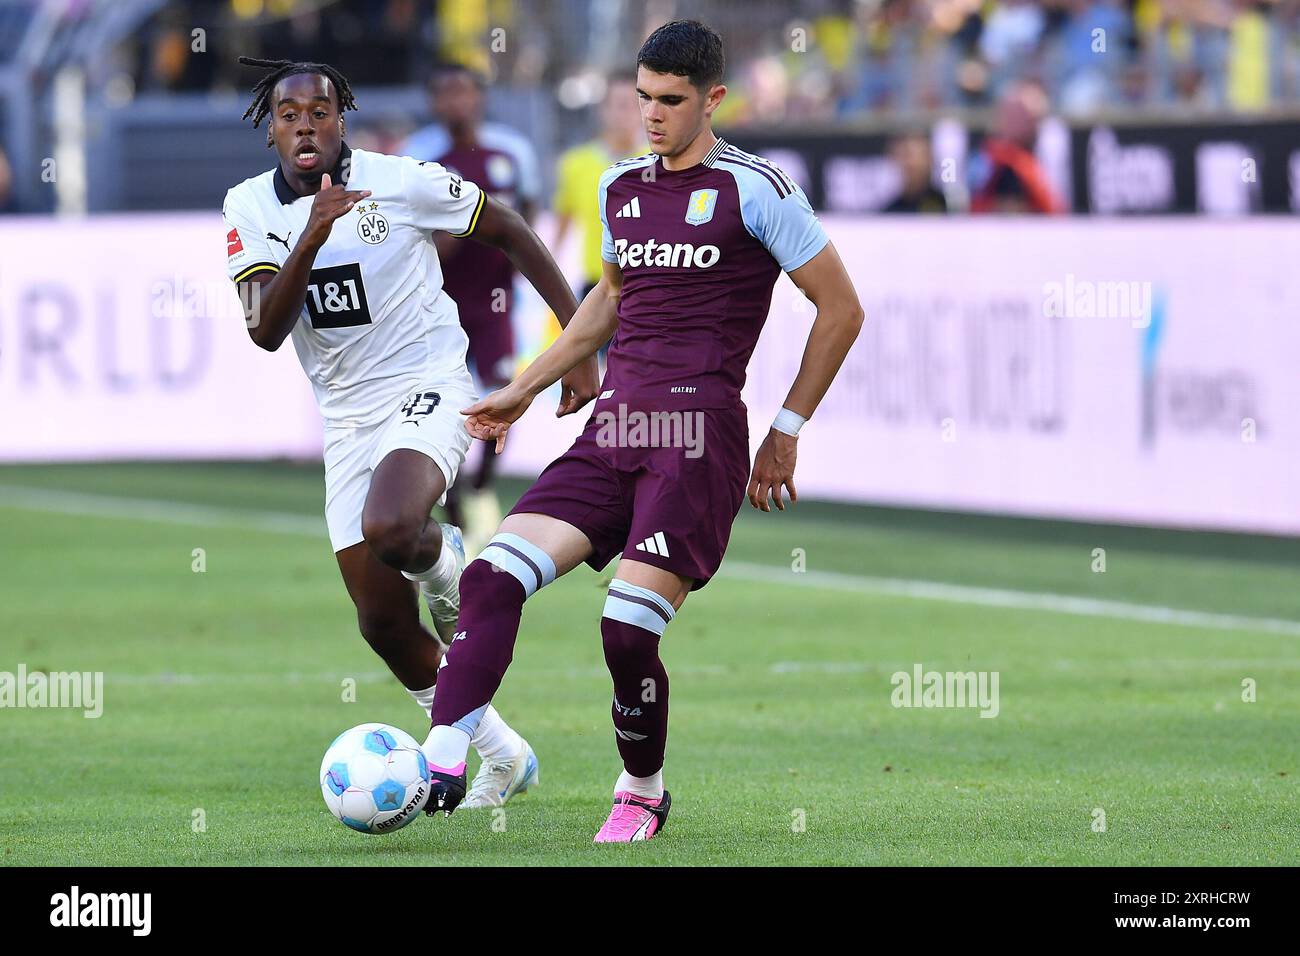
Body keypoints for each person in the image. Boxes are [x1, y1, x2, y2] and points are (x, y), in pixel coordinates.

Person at [420, 20, 865, 842]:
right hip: (615, 427)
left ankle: (642, 788)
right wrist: (523, 387)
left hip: (698, 441)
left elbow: (841, 309)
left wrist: (786, 430)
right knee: (489, 577)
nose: (652, 115)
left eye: (671, 101)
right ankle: (440, 755)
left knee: (626, 629)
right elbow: (610, 301)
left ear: (713, 99)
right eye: (643, 98)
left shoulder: (758, 189)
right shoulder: (621, 185)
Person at [220, 57, 599, 809]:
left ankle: (441, 557)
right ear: (271, 130)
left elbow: (513, 231)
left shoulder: (403, 181)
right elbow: (265, 330)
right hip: (346, 416)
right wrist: (310, 239)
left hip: (428, 383)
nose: (305, 125)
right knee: (383, 625)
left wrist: (575, 346)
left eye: (320, 113)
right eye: (289, 114)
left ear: (340, 122)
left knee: (395, 526)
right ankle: (505, 755)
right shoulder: (246, 207)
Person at [402, 64, 543, 555]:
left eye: (463, 91)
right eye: (444, 92)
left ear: (480, 98)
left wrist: (522, 266)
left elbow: (526, 215)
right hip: (438, 307)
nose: (455, 101)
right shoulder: (419, 155)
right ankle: (451, 495)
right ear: (433, 101)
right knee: (444, 402)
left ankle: (479, 486)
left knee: (506, 393)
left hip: (496, 302)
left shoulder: (512, 151)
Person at [553, 72, 644, 306]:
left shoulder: (658, 163)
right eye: (622, 105)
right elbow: (562, 226)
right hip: (598, 288)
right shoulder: (576, 163)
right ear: (604, 109)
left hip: (648, 286)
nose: (629, 114)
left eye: (636, 105)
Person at [969, 81, 1063, 214]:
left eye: (1021, 115)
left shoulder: (1050, 151)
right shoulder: (990, 156)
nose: (1012, 121)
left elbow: (1053, 204)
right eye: (1010, 114)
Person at [883, 132, 948, 213]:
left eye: (911, 155)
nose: (908, 164)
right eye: (903, 156)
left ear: (929, 159)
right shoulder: (888, 210)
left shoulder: (945, 205)